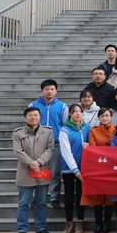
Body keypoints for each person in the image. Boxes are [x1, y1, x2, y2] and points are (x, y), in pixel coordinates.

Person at [12, 107, 55, 233]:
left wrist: (39, 162)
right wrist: (31, 163)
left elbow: (50, 148)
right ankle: (22, 229)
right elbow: (18, 151)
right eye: (30, 115)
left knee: (41, 202)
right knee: (24, 202)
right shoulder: (18, 133)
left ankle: (41, 228)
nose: (33, 117)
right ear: (25, 118)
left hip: (42, 169)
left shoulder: (48, 131)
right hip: (25, 171)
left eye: (36, 115)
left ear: (40, 117)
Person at [29, 79, 68, 208]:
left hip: (56, 145)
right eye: (47, 89)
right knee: (38, 171)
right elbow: (29, 123)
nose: (49, 91)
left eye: (52, 89)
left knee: (55, 173)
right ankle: (37, 198)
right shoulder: (33, 105)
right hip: (37, 145)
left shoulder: (62, 106)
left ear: (56, 91)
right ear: (42, 91)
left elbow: (65, 125)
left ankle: (54, 197)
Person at [59, 104, 90, 233]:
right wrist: (75, 169)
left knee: (81, 195)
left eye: (80, 111)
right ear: (70, 114)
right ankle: (69, 223)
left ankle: (80, 223)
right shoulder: (64, 130)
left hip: (84, 168)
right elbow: (66, 152)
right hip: (68, 169)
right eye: (74, 111)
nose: (77, 114)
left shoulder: (87, 127)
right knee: (69, 195)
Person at [84, 109, 116, 233]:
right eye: (102, 116)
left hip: (112, 167)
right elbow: (93, 148)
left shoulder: (116, 130)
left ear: (111, 117)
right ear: (99, 117)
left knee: (109, 197)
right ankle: (98, 223)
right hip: (98, 166)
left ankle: (106, 223)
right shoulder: (93, 130)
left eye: (107, 115)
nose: (105, 118)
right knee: (97, 196)